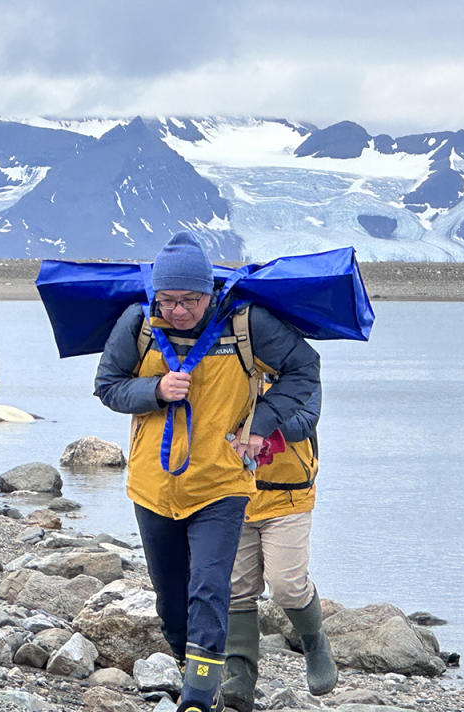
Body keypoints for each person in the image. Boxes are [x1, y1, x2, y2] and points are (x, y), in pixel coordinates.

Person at [94, 231, 319, 712]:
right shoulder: (138, 324)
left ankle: (196, 698)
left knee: (210, 590)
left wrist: (260, 426)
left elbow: (304, 369)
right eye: (168, 300)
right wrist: (153, 390)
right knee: (172, 604)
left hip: (221, 485)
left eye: (190, 300)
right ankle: (194, 673)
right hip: (153, 487)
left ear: (209, 293)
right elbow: (108, 386)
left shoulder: (246, 324)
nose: (177, 311)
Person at [222, 386, 337, 711]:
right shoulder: (226, 358)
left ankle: (313, 641)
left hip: (288, 496)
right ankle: (239, 678)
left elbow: (303, 422)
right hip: (232, 491)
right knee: (236, 589)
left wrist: (252, 423)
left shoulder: (298, 367)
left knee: (287, 585)